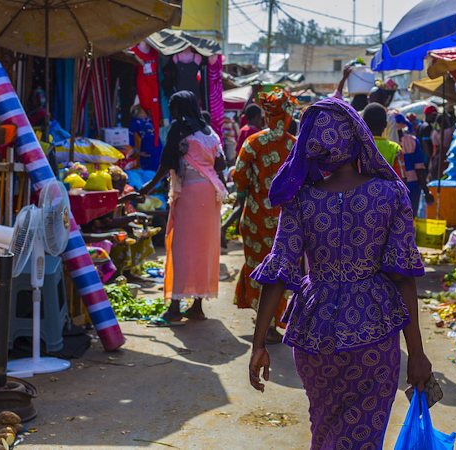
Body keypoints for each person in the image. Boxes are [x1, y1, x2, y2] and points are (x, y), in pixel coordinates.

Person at [248, 97, 432, 449]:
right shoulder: (391, 194)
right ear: (357, 136)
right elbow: (403, 276)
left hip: (316, 331)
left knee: (326, 426)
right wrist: (418, 353)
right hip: (374, 329)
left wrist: (258, 344)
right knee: (363, 432)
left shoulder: (301, 199)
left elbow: (279, 271)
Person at [139, 91, 227, 323]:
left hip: (189, 194)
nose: (172, 112)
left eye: (173, 107)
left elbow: (166, 164)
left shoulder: (179, 130)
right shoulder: (210, 133)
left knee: (181, 249)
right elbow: (221, 164)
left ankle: (175, 308)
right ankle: (197, 306)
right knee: (203, 249)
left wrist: (146, 189)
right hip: (210, 196)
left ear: (179, 108)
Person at [232, 88, 298, 344]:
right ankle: (272, 323)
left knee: (258, 266)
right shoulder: (295, 145)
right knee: (281, 270)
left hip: (255, 220)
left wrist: (253, 185)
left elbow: (238, 180)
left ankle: (263, 319)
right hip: (288, 223)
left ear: (266, 114)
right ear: (288, 113)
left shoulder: (253, 143)